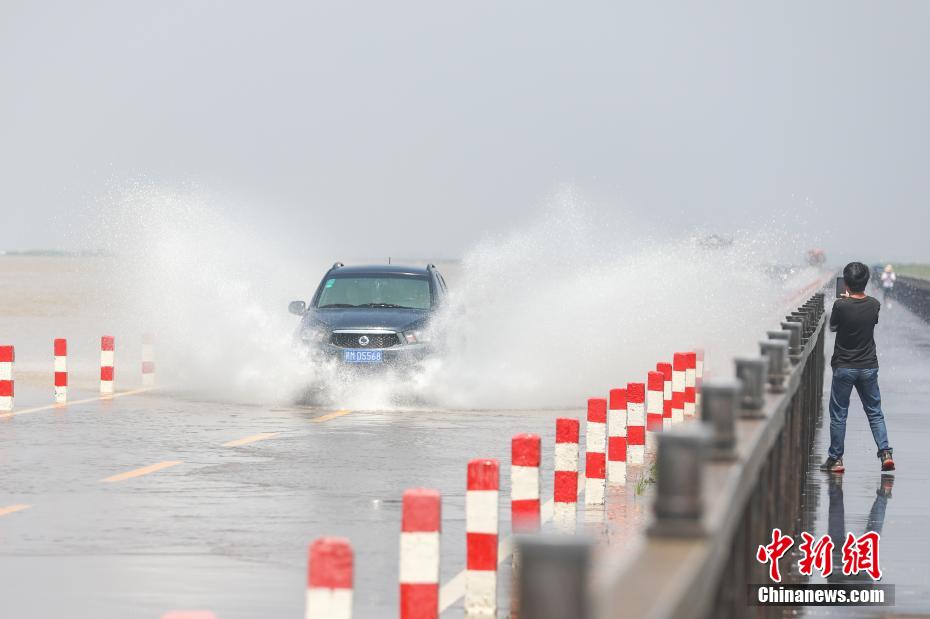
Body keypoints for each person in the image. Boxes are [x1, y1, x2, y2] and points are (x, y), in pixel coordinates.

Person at [820, 261, 894, 473]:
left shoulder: (840, 305)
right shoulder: (874, 304)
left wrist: (843, 302)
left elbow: (833, 326)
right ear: (866, 282)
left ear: (847, 283)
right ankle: (885, 453)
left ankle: (836, 459)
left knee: (839, 414)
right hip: (868, 366)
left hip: (844, 366)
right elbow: (872, 321)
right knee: (874, 412)